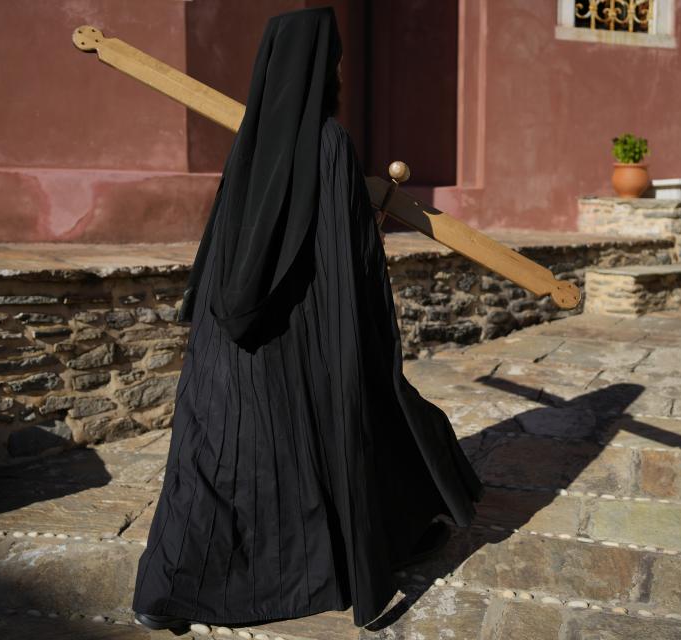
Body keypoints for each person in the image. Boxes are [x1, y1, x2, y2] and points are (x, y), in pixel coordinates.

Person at [131, 6, 484, 632]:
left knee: (213, 463)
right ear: (323, 69)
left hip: (227, 348)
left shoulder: (251, 143)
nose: (343, 70)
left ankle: (170, 592)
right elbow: (343, 266)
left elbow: (230, 251)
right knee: (340, 434)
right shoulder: (328, 145)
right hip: (293, 340)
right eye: (337, 60)